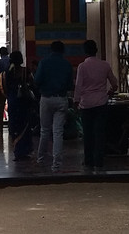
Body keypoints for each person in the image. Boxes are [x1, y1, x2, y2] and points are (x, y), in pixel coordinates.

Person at [74, 39, 117, 173]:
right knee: (99, 133)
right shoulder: (105, 65)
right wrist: (109, 93)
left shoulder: (82, 66)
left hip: (86, 104)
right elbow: (114, 83)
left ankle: (88, 160)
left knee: (88, 133)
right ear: (96, 50)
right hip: (101, 102)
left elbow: (78, 85)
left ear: (85, 51)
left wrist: (76, 100)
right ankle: (99, 160)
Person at [33, 40, 73, 172]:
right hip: (61, 99)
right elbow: (70, 84)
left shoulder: (44, 62)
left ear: (50, 50)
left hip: (46, 99)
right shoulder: (67, 64)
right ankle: (56, 164)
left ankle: (41, 159)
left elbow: (37, 81)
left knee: (44, 131)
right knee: (58, 132)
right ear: (63, 51)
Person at [4, 50, 34, 162]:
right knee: (25, 125)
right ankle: (25, 150)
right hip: (24, 102)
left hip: (13, 101)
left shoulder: (8, 72)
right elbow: (32, 84)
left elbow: (5, 86)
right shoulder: (25, 71)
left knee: (14, 126)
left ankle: (17, 151)